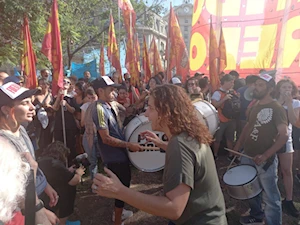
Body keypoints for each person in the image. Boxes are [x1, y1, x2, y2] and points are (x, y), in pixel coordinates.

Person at [92, 84, 228, 225]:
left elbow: (173, 209)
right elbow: (191, 157)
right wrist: (162, 144)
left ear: (166, 112)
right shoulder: (186, 137)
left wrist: (120, 191)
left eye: (150, 108)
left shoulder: (179, 145)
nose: (146, 114)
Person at [0, 82, 59, 224]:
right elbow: (10, 189)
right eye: (25, 103)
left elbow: (33, 165)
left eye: (31, 102)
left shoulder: (21, 130)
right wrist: (40, 210)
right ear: (7, 110)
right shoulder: (3, 146)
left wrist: (45, 185)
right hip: (18, 211)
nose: (32, 108)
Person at [234, 73, 288, 225]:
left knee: (271, 197)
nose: (255, 88)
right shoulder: (255, 105)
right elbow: (247, 127)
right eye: (255, 84)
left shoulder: (276, 108)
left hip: (265, 160)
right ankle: (257, 215)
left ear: (270, 89)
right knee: (250, 190)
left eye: (260, 85)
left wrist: (265, 155)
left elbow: (283, 135)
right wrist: (238, 148)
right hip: (248, 155)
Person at [91, 76, 141, 225]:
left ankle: (119, 214)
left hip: (119, 155)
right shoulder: (99, 108)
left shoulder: (109, 104)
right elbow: (105, 138)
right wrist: (128, 145)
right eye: (111, 89)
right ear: (100, 91)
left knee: (123, 187)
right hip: (114, 157)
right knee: (121, 190)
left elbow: (128, 111)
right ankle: (117, 220)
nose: (114, 92)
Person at [38, 141, 85, 225]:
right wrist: (79, 173)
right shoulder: (55, 164)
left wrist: (68, 171)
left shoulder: (42, 160)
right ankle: (62, 221)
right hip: (54, 197)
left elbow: (57, 176)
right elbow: (74, 181)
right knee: (68, 189)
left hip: (42, 194)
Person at [275, 79, 300, 217]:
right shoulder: (273, 101)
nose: (287, 89)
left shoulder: (296, 103)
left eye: (289, 87)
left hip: (286, 139)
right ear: (279, 89)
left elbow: (294, 121)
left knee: (287, 170)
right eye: (284, 87)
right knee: (271, 169)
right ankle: (271, 196)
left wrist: (289, 103)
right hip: (271, 140)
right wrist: (279, 102)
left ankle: (289, 200)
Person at [52, 77, 79, 165]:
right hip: (59, 124)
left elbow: (73, 110)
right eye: (64, 81)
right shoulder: (56, 97)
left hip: (69, 125)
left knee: (70, 144)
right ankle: (60, 162)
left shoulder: (72, 97)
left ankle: (71, 163)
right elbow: (54, 108)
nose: (65, 83)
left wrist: (66, 104)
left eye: (68, 82)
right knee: (59, 144)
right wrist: (59, 97)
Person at [211, 74, 236, 160]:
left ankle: (230, 155)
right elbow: (214, 105)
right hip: (221, 120)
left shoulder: (233, 91)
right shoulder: (217, 93)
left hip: (231, 119)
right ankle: (215, 154)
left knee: (230, 138)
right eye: (230, 82)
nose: (232, 84)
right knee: (218, 138)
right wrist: (224, 99)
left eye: (233, 82)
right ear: (224, 82)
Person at [81, 87, 99, 179]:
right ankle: (94, 182)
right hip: (89, 134)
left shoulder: (101, 106)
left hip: (100, 134)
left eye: (93, 97)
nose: (91, 100)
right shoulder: (85, 106)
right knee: (93, 160)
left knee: (105, 159)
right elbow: (82, 122)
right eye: (89, 98)